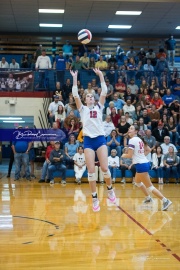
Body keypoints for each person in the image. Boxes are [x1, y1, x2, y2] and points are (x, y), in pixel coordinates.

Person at [70, 68, 117, 212]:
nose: (90, 97)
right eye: (88, 96)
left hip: (100, 139)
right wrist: (74, 78)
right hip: (89, 141)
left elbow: (104, 91)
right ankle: (94, 198)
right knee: (90, 171)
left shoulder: (99, 106)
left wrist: (101, 75)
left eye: (92, 96)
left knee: (104, 168)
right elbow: (75, 94)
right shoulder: (82, 109)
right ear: (85, 99)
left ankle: (110, 190)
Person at [121, 125, 172, 210]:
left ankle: (165, 200)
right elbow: (148, 149)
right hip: (143, 163)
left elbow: (129, 155)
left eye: (131, 129)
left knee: (150, 187)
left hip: (141, 166)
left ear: (136, 131)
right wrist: (141, 156)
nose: (129, 130)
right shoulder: (139, 139)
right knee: (137, 182)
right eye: (129, 128)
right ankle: (148, 198)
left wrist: (123, 155)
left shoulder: (132, 140)